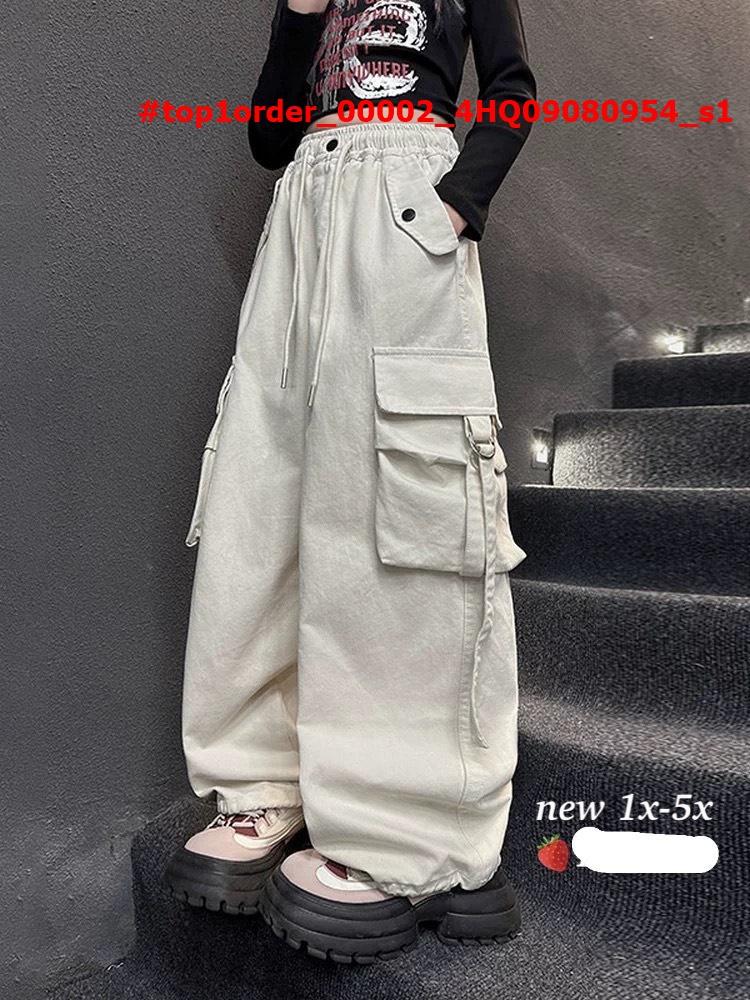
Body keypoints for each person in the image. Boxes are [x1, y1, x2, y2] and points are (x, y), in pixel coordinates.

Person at [166, 0, 536, 963]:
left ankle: (407, 828)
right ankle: (265, 781)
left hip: (405, 209)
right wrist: (296, 17)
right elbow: (268, 137)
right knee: (262, 496)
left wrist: (456, 203)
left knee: (401, 507)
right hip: (301, 209)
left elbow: (512, 89)